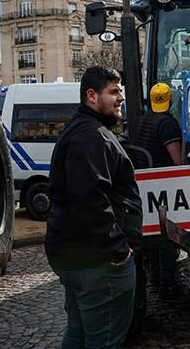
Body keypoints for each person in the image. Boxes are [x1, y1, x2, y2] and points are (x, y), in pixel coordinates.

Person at [44, 66, 142, 349]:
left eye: (120, 90)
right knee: (104, 341)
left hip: (78, 256)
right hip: (98, 263)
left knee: (79, 334)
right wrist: (119, 252)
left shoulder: (84, 130)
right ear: (91, 96)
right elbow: (90, 200)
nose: (120, 97)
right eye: (113, 92)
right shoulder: (91, 136)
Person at [130, 82, 184, 299]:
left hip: (145, 185)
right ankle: (168, 284)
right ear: (169, 100)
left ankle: (154, 277)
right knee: (167, 238)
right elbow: (177, 161)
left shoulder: (144, 120)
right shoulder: (167, 124)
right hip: (163, 186)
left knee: (152, 232)